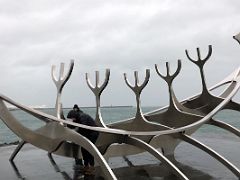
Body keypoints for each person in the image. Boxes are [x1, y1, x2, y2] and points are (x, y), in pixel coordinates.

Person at [67, 104, 99, 175]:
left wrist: (76, 133)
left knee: (89, 149)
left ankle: (92, 167)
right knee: (83, 149)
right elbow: (75, 126)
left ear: (74, 116)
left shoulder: (83, 116)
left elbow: (83, 128)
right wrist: (67, 125)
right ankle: (86, 165)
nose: (72, 120)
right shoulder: (77, 117)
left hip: (93, 133)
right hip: (87, 133)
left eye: (72, 118)